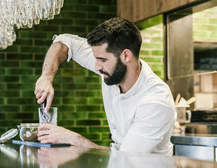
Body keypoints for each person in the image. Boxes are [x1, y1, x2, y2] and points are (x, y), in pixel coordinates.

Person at [35, 17, 175, 155]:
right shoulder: (110, 65)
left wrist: (74, 139)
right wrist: (46, 77)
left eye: (102, 60)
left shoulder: (156, 101)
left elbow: (127, 159)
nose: (96, 66)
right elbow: (64, 42)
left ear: (126, 56)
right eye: (96, 59)